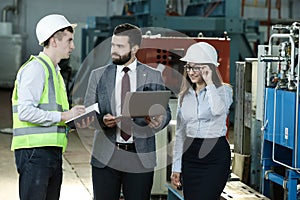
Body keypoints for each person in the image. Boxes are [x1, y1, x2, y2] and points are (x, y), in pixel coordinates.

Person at [84, 23, 172, 200]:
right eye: (112, 45)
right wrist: (101, 121)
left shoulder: (153, 75)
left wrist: (159, 120)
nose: (114, 51)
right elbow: (88, 113)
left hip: (139, 157)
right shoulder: (98, 75)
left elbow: (166, 112)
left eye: (120, 46)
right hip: (106, 157)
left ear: (134, 49)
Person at [11, 14, 85, 200]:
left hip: (51, 151)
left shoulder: (55, 72)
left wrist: (72, 121)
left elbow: (54, 113)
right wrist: (63, 116)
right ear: (54, 40)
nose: (72, 46)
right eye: (69, 41)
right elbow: (26, 112)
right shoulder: (36, 69)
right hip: (35, 152)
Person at [171, 42, 233, 200]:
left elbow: (218, 110)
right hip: (190, 154)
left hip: (215, 155)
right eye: (189, 67)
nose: (191, 72)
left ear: (209, 68)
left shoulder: (224, 90)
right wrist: (176, 168)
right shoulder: (184, 95)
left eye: (196, 67)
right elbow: (180, 134)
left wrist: (210, 83)